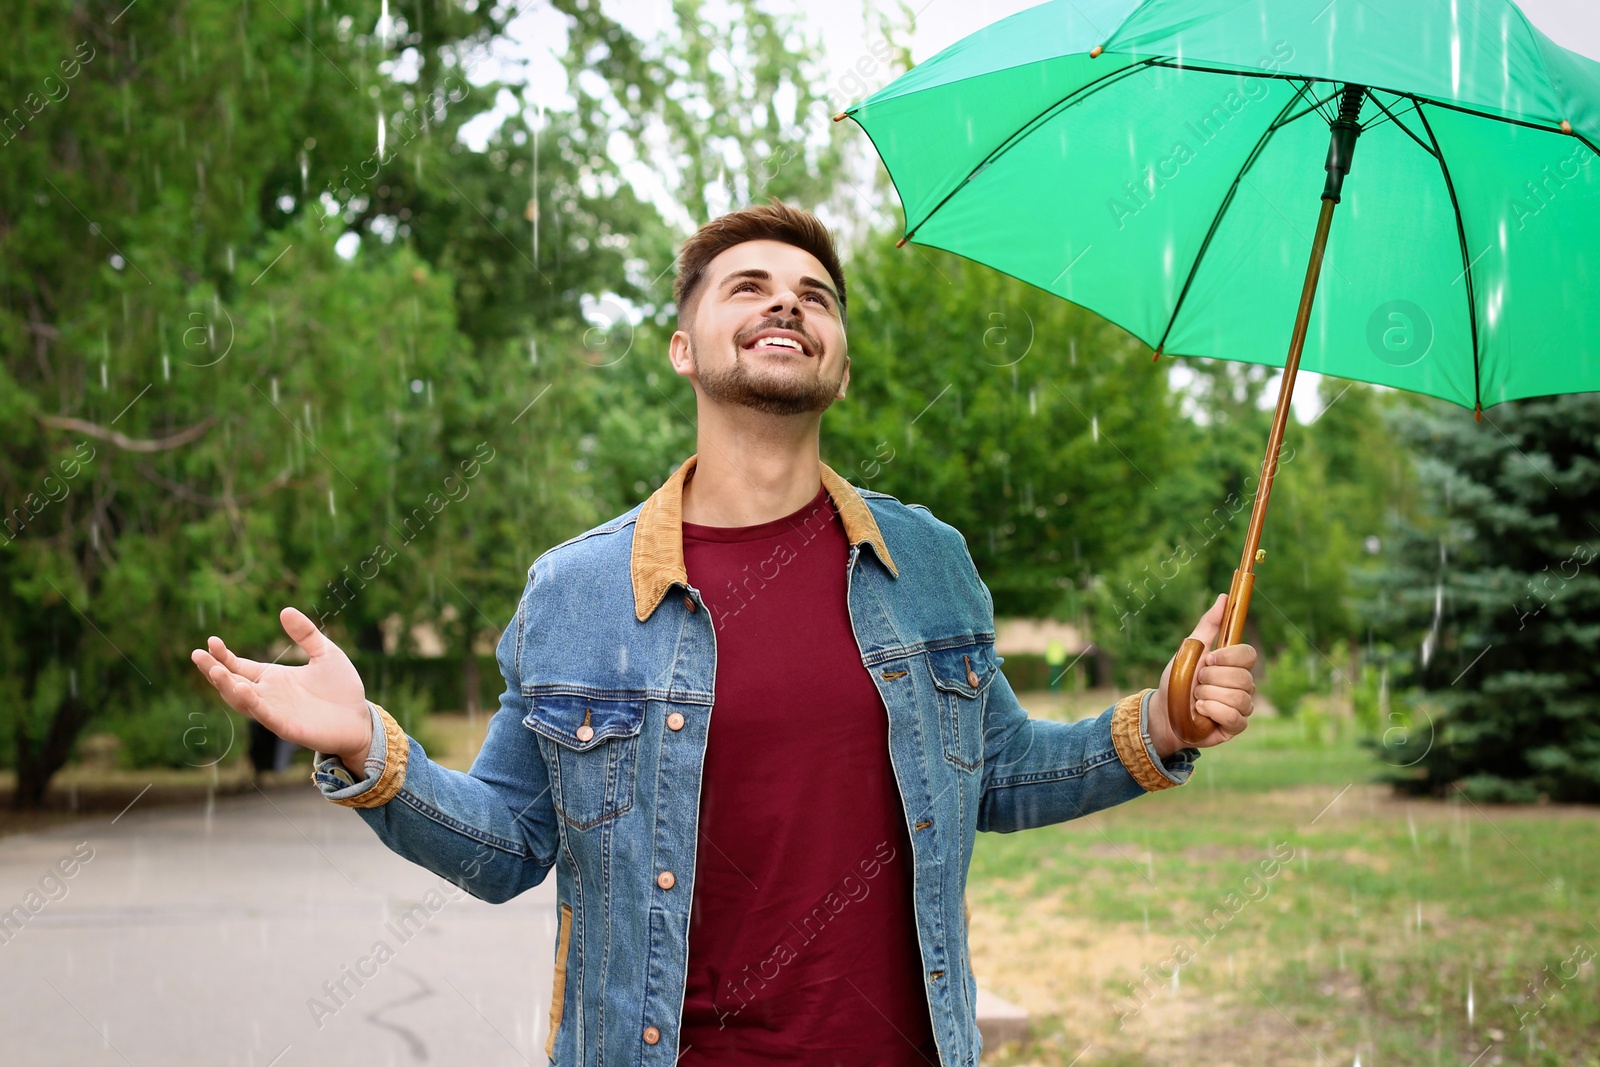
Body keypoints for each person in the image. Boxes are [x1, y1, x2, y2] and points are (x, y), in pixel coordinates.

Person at [191, 201, 1258, 1066]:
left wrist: (1163, 718)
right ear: (682, 347)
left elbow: (999, 775)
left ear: (838, 359)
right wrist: (362, 747)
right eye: (747, 286)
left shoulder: (928, 562)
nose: (787, 304)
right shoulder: (576, 590)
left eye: (816, 296)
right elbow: (507, 844)